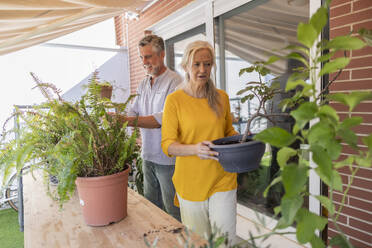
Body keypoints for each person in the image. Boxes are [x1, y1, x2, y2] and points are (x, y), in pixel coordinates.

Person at [161, 40, 238, 243]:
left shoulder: (222, 97)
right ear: (186, 66)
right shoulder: (174, 101)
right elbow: (168, 145)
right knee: (199, 241)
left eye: (207, 64)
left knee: (225, 240)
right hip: (191, 181)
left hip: (223, 177)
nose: (203, 69)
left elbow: (228, 131)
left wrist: (243, 142)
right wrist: (195, 149)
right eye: (197, 64)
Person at [113, 34, 182, 221]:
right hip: (148, 157)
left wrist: (126, 121)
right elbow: (132, 110)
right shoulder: (143, 83)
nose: (144, 62)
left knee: (173, 211)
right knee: (152, 207)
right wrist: (128, 137)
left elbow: (164, 119)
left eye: (148, 56)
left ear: (161, 55)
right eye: (141, 57)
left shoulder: (176, 82)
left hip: (168, 161)